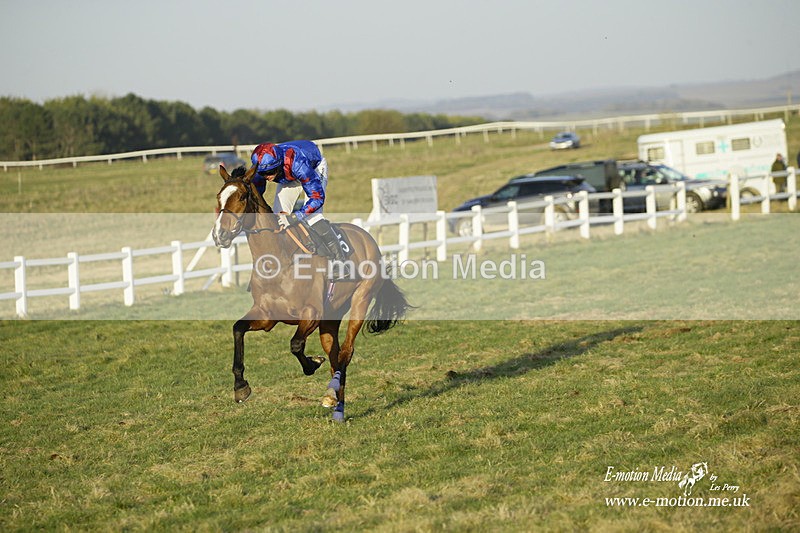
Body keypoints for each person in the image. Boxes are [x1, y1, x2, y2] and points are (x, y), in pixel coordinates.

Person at [250, 140, 349, 270]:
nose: (266, 176)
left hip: (313, 167)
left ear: (278, 164)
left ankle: (340, 263)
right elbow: (256, 195)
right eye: (263, 173)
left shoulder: (299, 164)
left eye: (270, 172)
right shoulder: (261, 168)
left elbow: (317, 198)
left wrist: (296, 217)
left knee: (313, 217)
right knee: (277, 217)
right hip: (287, 175)